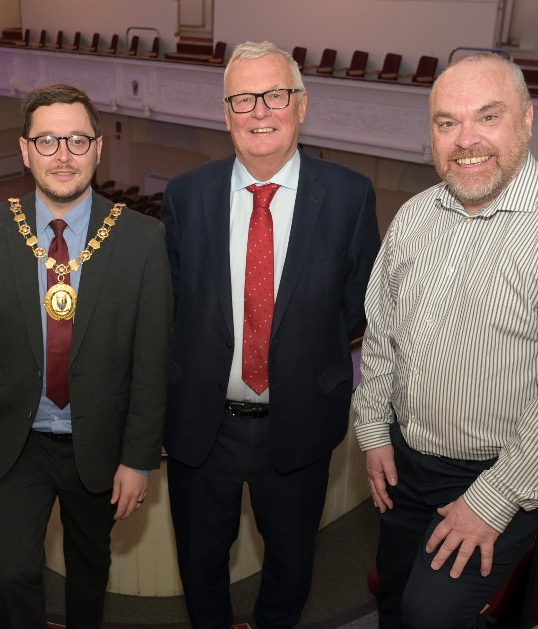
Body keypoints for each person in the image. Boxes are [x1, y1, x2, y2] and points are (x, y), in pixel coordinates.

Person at [351, 52, 538, 628]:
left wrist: (493, 501)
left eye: (488, 116)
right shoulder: (414, 216)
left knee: (430, 616)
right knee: (394, 601)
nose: (466, 140)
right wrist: (376, 428)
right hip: (408, 459)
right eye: (447, 122)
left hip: (503, 471)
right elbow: (382, 333)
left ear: (527, 121)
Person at [161, 41, 381, 628]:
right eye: (242, 99)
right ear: (225, 113)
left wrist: (302, 353)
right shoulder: (185, 196)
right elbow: (176, 305)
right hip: (202, 426)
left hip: (300, 421)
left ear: (301, 105)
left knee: (292, 563)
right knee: (200, 562)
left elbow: (359, 307)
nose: (259, 111)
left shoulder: (350, 195)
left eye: (274, 95)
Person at [0, 84, 171, 628]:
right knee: (6, 574)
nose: (63, 154)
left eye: (76, 139)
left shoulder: (143, 239)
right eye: (47, 140)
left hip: (100, 443)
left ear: (98, 149)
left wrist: (140, 458)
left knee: (89, 574)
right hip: (13, 442)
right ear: (25, 151)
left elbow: (152, 362)